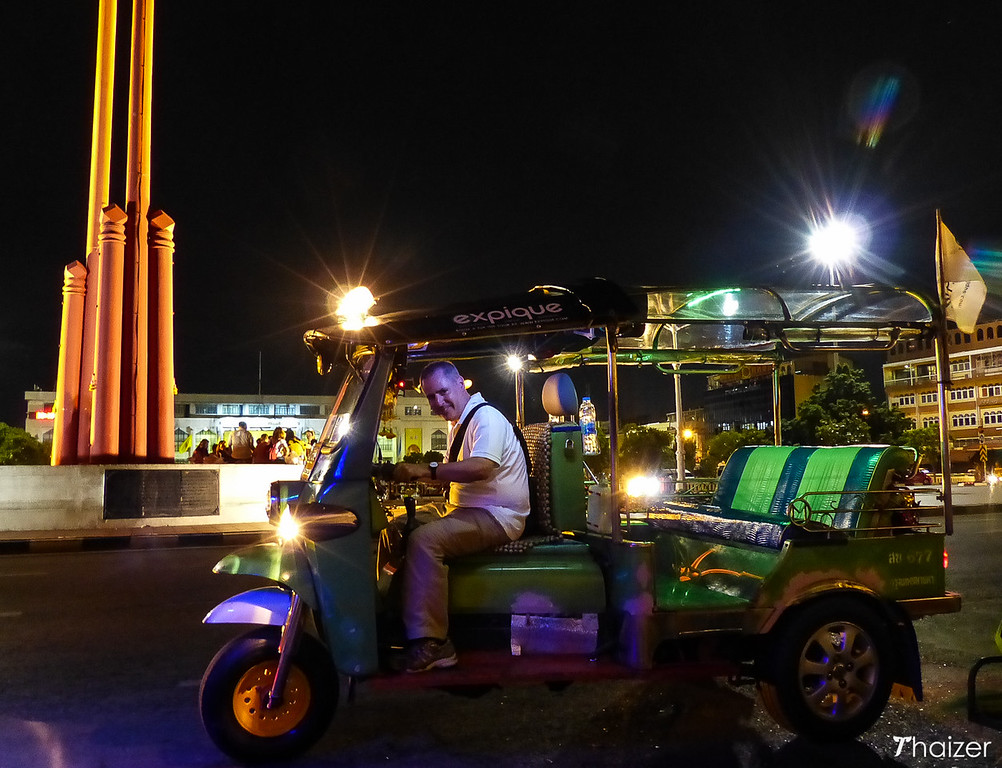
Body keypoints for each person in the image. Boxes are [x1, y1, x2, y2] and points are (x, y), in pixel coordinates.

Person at [392, 361, 530, 672]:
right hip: (466, 508)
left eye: (442, 392)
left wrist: (425, 470)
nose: (438, 402)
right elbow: (448, 475)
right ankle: (398, 613)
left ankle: (433, 643)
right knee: (396, 527)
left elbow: (481, 467)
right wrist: (409, 473)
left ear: (460, 384)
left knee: (424, 540)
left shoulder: (486, 418)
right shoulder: (459, 424)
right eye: (431, 397)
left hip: (498, 515)